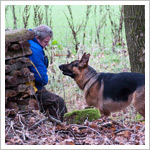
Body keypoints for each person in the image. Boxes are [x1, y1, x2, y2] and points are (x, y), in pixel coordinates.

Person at [28, 24, 67, 122]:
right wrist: (45, 80)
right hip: (32, 88)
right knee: (58, 102)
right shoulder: (35, 49)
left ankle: (55, 126)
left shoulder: (31, 42)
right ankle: (62, 127)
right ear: (37, 38)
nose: (48, 44)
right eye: (46, 41)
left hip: (31, 85)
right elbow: (41, 78)